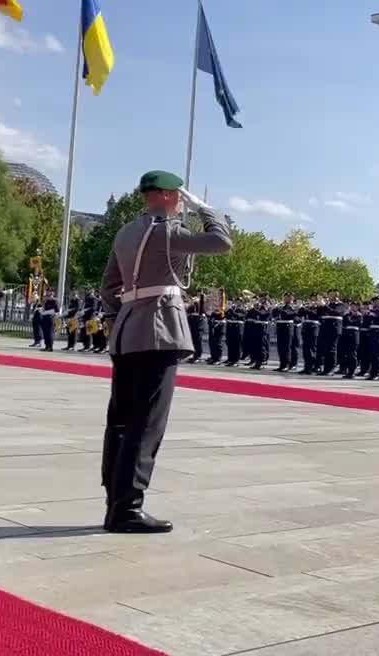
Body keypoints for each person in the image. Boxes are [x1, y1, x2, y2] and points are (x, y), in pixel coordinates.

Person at [99, 170, 231, 533]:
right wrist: (207, 211)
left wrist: (118, 316)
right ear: (171, 196)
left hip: (126, 333)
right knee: (147, 422)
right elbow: (221, 243)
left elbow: (109, 284)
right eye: (179, 195)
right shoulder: (169, 232)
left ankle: (115, 500)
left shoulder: (125, 232)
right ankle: (128, 508)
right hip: (159, 332)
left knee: (121, 420)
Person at [186, 291, 205, 363]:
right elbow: (189, 311)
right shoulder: (192, 305)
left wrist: (199, 299)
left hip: (198, 325)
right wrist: (191, 303)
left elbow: (201, 310)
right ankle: (194, 355)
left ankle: (198, 356)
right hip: (193, 324)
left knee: (198, 341)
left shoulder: (200, 303)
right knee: (194, 341)